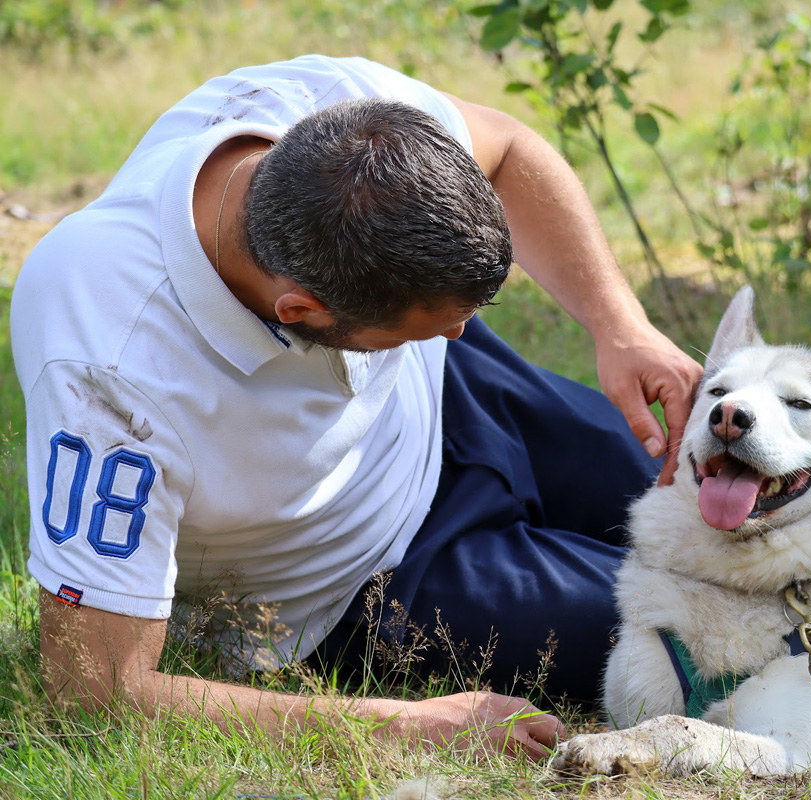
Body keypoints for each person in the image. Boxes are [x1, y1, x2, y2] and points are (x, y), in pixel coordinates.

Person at [12, 54, 702, 759]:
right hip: (361, 578)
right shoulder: (110, 367)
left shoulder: (337, 118)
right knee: (709, 632)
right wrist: (404, 725)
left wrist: (620, 325)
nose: (462, 327)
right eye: (438, 319)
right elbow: (95, 687)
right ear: (301, 309)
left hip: (460, 392)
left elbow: (508, 148)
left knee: (747, 510)